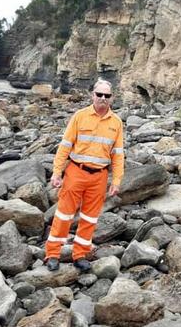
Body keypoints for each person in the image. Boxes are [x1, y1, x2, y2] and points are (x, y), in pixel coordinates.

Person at [45, 78, 124, 272]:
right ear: (93, 95)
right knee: (64, 215)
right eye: (99, 95)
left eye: (107, 95)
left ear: (112, 98)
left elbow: (118, 154)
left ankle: (80, 254)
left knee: (89, 218)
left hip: (99, 177)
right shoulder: (80, 116)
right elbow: (65, 146)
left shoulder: (116, 122)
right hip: (76, 172)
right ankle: (52, 254)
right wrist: (57, 172)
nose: (103, 98)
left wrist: (116, 180)